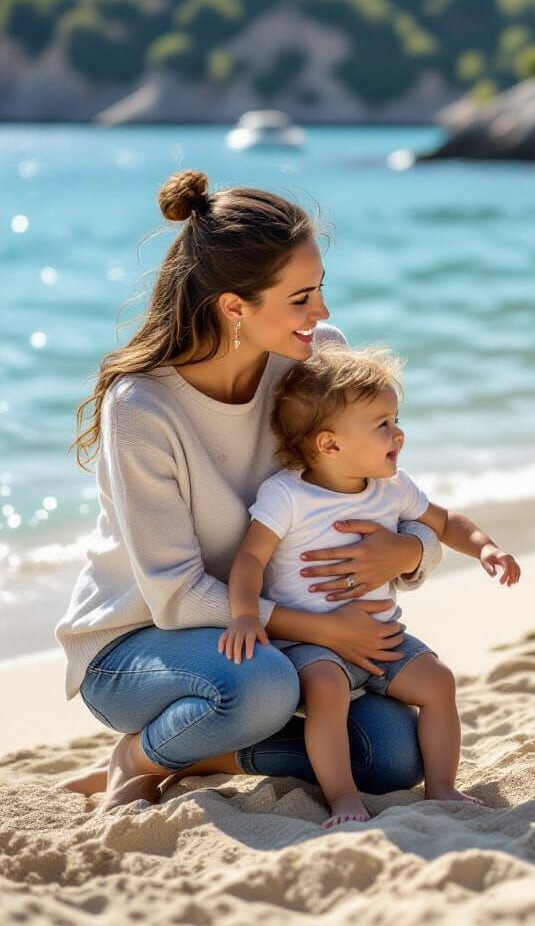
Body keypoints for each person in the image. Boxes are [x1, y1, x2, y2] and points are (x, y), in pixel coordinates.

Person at [56, 170, 445, 812]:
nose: (321, 314)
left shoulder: (317, 359)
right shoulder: (143, 407)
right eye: (300, 298)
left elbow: (389, 494)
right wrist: (324, 627)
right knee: (258, 685)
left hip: (276, 642)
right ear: (235, 307)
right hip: (138, 644)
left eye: (320, 291)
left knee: (393, 756)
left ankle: (205, 753)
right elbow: (178, 597)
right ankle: (138, 755)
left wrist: (408, 556)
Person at [220, 344, 520, 826]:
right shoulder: (288, 495)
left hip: (383, 637)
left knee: (439, 682)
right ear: (330, 445)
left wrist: (486, 547)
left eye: (396, 419)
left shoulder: (393, 486)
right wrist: (245, 615)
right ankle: (342, 797)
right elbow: (250, 558)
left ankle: (442, 786)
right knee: (326, 689)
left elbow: (445, 522)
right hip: (311, 643)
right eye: (382, 424)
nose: (398, 433)